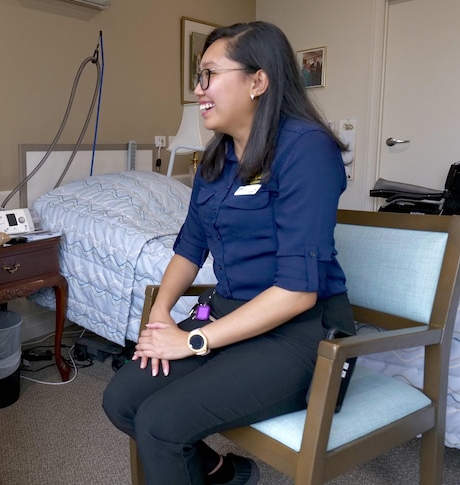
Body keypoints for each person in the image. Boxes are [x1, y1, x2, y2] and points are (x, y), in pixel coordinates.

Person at [103, 21, 354, 485]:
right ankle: (222, 472)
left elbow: (298, 293)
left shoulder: (306, 150)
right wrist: (161, 320)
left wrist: (192, 340)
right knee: (120, 402)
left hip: (299, 337)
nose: (199, 90)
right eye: (198, 78)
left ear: (258, 81)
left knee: (160, 423)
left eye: (209, 75)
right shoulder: (217, 159)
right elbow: (189, 247)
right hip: (224, 316)